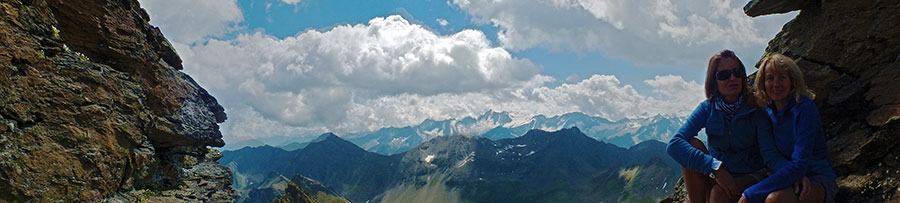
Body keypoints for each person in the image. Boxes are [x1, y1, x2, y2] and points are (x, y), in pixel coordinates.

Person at [667, 50, 772, 203]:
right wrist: (715, 167)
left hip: (752, 174)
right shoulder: (708, 108)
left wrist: (790, 175)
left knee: (718, 195)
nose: (733, 78)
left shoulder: (755, 107)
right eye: (724, 75)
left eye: (737, 73)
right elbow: (674, 145)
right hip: (719, 173)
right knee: (691, 144)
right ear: (713, 81)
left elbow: (769, 153)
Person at [739, 53, 837, 203]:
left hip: (817, 179)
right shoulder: (768, 111)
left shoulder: (804, 109)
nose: (776, 84)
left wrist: (748, 195)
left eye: (782, 77)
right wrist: (793, 176)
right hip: (787, 176)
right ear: (763, 83)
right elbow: (770, 155)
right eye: (770, 78)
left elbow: (800, 163)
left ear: (792, 81)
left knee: (775, 200)